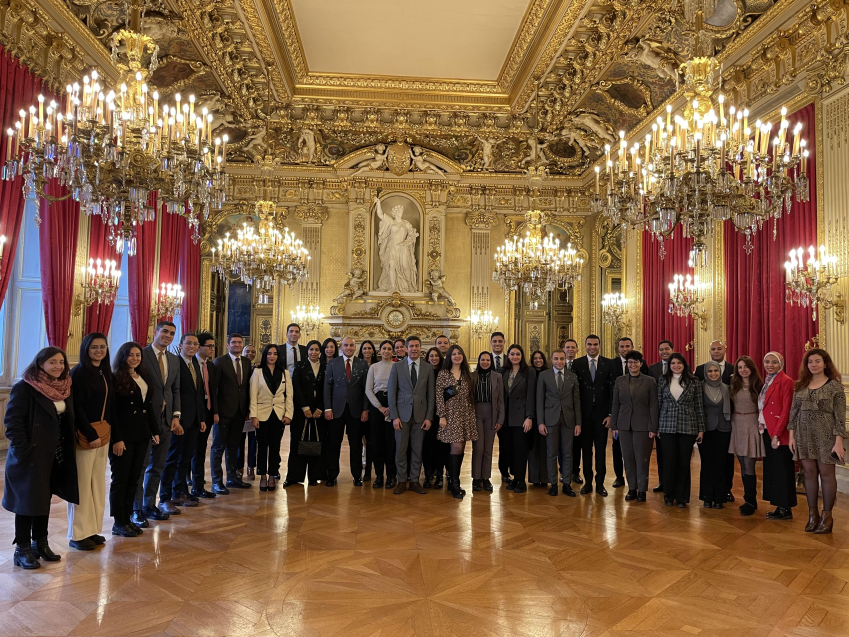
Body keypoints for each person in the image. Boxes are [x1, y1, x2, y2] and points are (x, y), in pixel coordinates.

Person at [3, 347, 78, 569]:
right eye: (52, 362)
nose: (58, 366)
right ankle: (22, 548)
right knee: (27, 502)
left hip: (55, 454)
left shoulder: (64, 388)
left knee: (43, 499)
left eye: (61, 362)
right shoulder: (25, 388)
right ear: (40, 364)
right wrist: (24, 450)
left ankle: (40, 543)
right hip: (31, 456)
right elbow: (12, 423)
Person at [789, 348, 846, 534]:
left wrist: (839, 442)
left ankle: (827, 516)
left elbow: (840, 417)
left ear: (825, 363)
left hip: (826, 436)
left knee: (827, 474)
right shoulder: (800, 385)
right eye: (810, 362)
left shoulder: (835, 387)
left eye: (817, 361)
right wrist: (792, 436)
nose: (813, 365)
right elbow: (793, 413)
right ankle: (812, 515)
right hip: (804, 435)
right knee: (809, 473)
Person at [132, 321, 182, 529]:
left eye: (172, 333)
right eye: (165, 332)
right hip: (144, 421)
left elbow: (175, 389)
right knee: (141, 466)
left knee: (158, 466)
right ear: (155, 332)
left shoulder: (173, 359)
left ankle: (150, 504)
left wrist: (176, 416)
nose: (168, 336)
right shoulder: (140, 355)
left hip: (166, 420)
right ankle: (136, 510)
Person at [109, 342, 160, 537]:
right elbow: (113, 413)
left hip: (141, 435)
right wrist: (117, 439)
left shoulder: (143, 376)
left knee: (134, 479)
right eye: (130, 355)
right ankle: (118, 521)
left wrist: (154, 431)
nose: (135, 358)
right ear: (123, 356)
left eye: (138, 355)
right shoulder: (115, 379)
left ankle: (128, 518)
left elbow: (148, 408)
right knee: (120, 480)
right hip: (123, 437)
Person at [67, 333, 112, 551]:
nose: (99, 351)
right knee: (82, 485)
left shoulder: (105, 372)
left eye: (103, 347)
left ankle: (93, 529)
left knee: (97, 484)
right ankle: (78, 533)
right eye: (94, 347)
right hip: (86, 435)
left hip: (102, 434)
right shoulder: (79, 372)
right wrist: (90, 433)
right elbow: (76, 408)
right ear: (86, 349)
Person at [159, 333, 206, 515]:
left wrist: (201, 418)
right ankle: (165, 497)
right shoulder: (175, 363)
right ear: (180, 345)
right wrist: (174, 417)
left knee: (185, 459)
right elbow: (172, 392)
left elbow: (198, 394)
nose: (192, 346)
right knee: (171, 460)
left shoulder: (195, 363)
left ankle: (180, 493)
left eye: (195, 344)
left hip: (194, 420)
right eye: (189, 343)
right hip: (178, 420)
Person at [388, 336, 435, 494]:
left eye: (417, 346)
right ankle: (401, 480)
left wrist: (429, 417)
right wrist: (394, 416)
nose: (414, 349)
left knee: (417, 449)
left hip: (420, 417)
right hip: (401, 416)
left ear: (420, 348)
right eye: (411, 346)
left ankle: (414, 481)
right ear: (406, 349)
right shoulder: (397, 367)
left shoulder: (428, 368)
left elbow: (431, 395)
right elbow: (391, 392)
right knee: (401, 450)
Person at [657, 353, 704, 507]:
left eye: (679, 363)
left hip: (688, 426)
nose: (676, 366)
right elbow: (658, 404)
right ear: (669, 365)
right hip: (666, 426)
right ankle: (668, 495)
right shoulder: (663, 380)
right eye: (673, 363)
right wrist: (656, 426)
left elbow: (699, 406)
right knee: (669, 461)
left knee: (684, 462)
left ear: (684, 365)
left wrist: (701, 429)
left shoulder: (694, 381)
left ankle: (682, 497)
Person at [610, 350, 657, 502]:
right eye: (630, 362)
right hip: (624, 425)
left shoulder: (650, 381)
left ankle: (642, 490)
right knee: (628, 458)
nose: (633, 365)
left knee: (642, 458)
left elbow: (653, 406)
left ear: (641, 364)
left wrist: (652, 427)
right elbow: (615, 403)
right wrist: (614, 425)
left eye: (636, 362)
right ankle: (632, 489)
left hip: (643, 426)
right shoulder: (620, 380)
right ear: (627, 364)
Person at [571, 335, 615, 496]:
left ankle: (600, 484)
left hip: (602, 416)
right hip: (584, 416)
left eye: (595, 344)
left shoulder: (609, 364)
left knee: (601, 451)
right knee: (586, 450)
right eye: (589, 344)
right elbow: (574, 392)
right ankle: (588, 482)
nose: (592, 347)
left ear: (600, 345)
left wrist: (610, 414)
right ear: (585, 346)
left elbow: (613, 391)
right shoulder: (577, 363)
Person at [323, 336, 370, 486]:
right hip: (336, 410)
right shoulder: (333, 363)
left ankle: (357, 476)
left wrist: (365, 409)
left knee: (355, 445)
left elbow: (365, 390)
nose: (348, 348)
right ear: (341, 347)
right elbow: (327, 387)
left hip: (356, 411)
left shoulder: (363, 364)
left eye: (351, 345)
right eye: (345, 345)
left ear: (355, 348)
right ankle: (332, 475)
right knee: (333, 444)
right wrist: (328, 408)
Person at [211, 333, 252, 494]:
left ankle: (232, 478)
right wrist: (215, 412)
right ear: (228, 345)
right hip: (223, 412)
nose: (237, 345)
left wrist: (248, 409)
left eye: (239, 342)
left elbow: (247, 387)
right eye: (233, 342)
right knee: (218, 447)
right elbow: (214, 390)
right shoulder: (219, 362)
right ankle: (216, 481)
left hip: (240, 412)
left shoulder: (247, 362)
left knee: (234, 447)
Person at [537, 349, 581, 497]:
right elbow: (539, 400)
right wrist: (540, 422)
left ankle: (567, 484)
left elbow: (577, 401)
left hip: (569, 420)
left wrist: (578, 423)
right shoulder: (544, 376)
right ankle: (553, 484)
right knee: (551, 453)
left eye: (562, 359)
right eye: (556, 359)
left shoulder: (572, 376)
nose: (559, 362)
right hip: (550, 419)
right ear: (551, 359)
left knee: (568, 453)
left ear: (565, 359)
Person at [695, 340, 735, 502]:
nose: (712, 373)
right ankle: (707, 496)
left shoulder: (728, 385)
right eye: (710, 371)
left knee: (722, 463)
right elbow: (697, 407)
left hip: (725, 429)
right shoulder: (700, 384)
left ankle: (721, 495)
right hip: (706, 429)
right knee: (707, 464)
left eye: (715, 371)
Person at [250, 344, 293, 492]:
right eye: (269, 353)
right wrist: (253, 416)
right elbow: (252, 395)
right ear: (265, 355)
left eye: (275, 354)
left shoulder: (285, 373)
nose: (272, 356)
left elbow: (289, 396)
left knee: (275, 447)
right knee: (261, 447)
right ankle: (262, 476)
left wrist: (288, 414)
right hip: (261, 414)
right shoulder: (257, 372)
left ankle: (272, 475)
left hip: (278, 414)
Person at [436, 344, 478, 499]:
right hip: (450, 415)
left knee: (461, 449)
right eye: (454, 354)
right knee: (456, 446)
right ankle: (454, 483)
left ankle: (453, 480)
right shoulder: (443, 374)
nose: (457, 356)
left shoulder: (468, 374)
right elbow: (439, 397)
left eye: (459, 353)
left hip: (465, 414)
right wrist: (442, 416)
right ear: (449, 357)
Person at [759, 351, 797, 520]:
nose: (770, 365)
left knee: (782, 470)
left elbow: (786, 410)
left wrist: (777, 434)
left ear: (781, 363)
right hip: (768, 430)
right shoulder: (768, 381)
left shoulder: (786, 381)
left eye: (774, 362)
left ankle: (785, 507)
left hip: (778, 433)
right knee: (773, 470)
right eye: (767, 361)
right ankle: (779, 505)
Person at [285, 340, 327, 487]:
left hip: (319, 411)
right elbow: (295, 387)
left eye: (316, 350)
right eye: (311, 350)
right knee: (297, 441)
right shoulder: (300, 366)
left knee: (317, 442)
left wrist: (320, 408)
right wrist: (305, 407)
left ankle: (315, 476)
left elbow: (327, 390)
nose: (314, 352)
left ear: (320, 351)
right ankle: (294, 477)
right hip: (301, 410)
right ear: (307, 351)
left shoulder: (326, 367)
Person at [728, 355, 765, 516]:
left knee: (749, 465)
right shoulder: (733, 384)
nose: (743, 370)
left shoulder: (759, 385)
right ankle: (748, 498)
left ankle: (750, 500)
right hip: (736, 424)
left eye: (746, 367)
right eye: (740, 367)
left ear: (752, 368)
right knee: (742, 464)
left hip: (751, 423)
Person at [501, 344, 536, 494]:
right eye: (512, 354)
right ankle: (514, 478)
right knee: (509, 449)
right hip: (505, 418)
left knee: (520, 449)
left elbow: (531, 396)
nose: (515, 357)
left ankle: (521, 480)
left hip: (521, 417)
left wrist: (529, 417)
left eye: (518, 354)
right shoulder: (503, 371)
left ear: (522, 356)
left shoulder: (529, 372)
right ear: (508, 356)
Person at [470, 352, 504, 493]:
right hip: (476, 413)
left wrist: (500, 419)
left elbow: (500, 400)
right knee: (478, 447)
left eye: (487, 360)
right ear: (479, 361)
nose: (485, 362)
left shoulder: (498, 377)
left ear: (491, 361)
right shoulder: (472, 376)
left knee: (488, 448)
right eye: (482, 359)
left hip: (491, 414)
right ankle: (476, 478)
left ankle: (486, 478)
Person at [190, 332, 219, 500]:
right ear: (199, 347)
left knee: (200, 450)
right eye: (208, 346)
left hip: (207, 413)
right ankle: (188, 484)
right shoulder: (191, 363)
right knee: (191, 451)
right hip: (193, 415)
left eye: (213, 346)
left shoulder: (211, 366)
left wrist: (214, 412)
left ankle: (198, 486)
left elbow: (213, 392)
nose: (212, 349)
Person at [365, 340, 396, 489]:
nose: (387, 351)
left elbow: (400, 388)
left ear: (393, 352)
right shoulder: (373, 367)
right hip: (377, 407)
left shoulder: (397, 367)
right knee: (377, 442)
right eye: (384, 348)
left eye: (389, 349)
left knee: (391, 443)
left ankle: (391, 475)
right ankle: (378, 476)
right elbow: (368, 390)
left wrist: (391, 407)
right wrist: (380, 407)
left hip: (393, 405)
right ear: (380, 351)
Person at [648, 340, 674, 494]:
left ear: (672, 349)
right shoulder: (653, 369)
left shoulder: (680, 365)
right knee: (661, 453)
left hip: (675, 415)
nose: (664, 352)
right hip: (659, 415)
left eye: (667, 349)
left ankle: (673, 482)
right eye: (661, 349)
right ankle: (662, 482)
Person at [423, 347, 449, 489]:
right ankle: (428, 475)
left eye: (436, 355)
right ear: (427, 358)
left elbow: (451, 390)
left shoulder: (445, 373)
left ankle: (439, 475)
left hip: (441, 414)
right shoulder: (423, 372)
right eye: (431, 356)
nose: (433, 358)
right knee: (426, 446)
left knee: (440, 447)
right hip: (426, 414)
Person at [489, 332, 510, 483]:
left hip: (506, 409)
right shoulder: (484, 359)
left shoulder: (510, 360)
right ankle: (484, 475)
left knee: (505, 444)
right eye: (495, 341)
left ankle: (505, 472)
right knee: (486, 445)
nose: (497, 344)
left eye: (500, 341)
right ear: (491, 342)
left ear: (504, 343)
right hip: (488, 409)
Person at [527, 351, 549, 487]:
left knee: (546, 447)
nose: (538, 360)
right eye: (535, 358)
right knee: (533, 447)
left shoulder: (548, 373)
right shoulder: (528, 374)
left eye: (540, 358)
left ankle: (545, 477)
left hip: (547, 414)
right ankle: (535, 478)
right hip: (531, 415)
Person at [237, 344, 257, 482]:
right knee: (239, 442)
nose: (250, 353)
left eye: (253, 352)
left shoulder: (258, 369)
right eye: (247, 351)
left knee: (253, 442)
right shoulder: (239, 367)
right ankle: (239, 468)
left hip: (254, 410)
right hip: (239, 410)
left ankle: (251, 467)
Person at [563, 338, 582, 484]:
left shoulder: (581, 365)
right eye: (567, 347)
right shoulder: (556, 366)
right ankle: (563, 472)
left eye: (572, 347)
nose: (570, 350)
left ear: (577, 350)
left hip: (576, 411)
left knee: (576, 445)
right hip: (559, 412)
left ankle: (575, 472)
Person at [357, 339, 376, 481]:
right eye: (364, 348)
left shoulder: (377, 366)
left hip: (374, 408)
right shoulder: (357, 365)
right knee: (359, 439)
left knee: (371, 441)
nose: (367, 351)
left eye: (369, 348)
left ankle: (369, 470)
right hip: (359, 408)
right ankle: (359, 469)